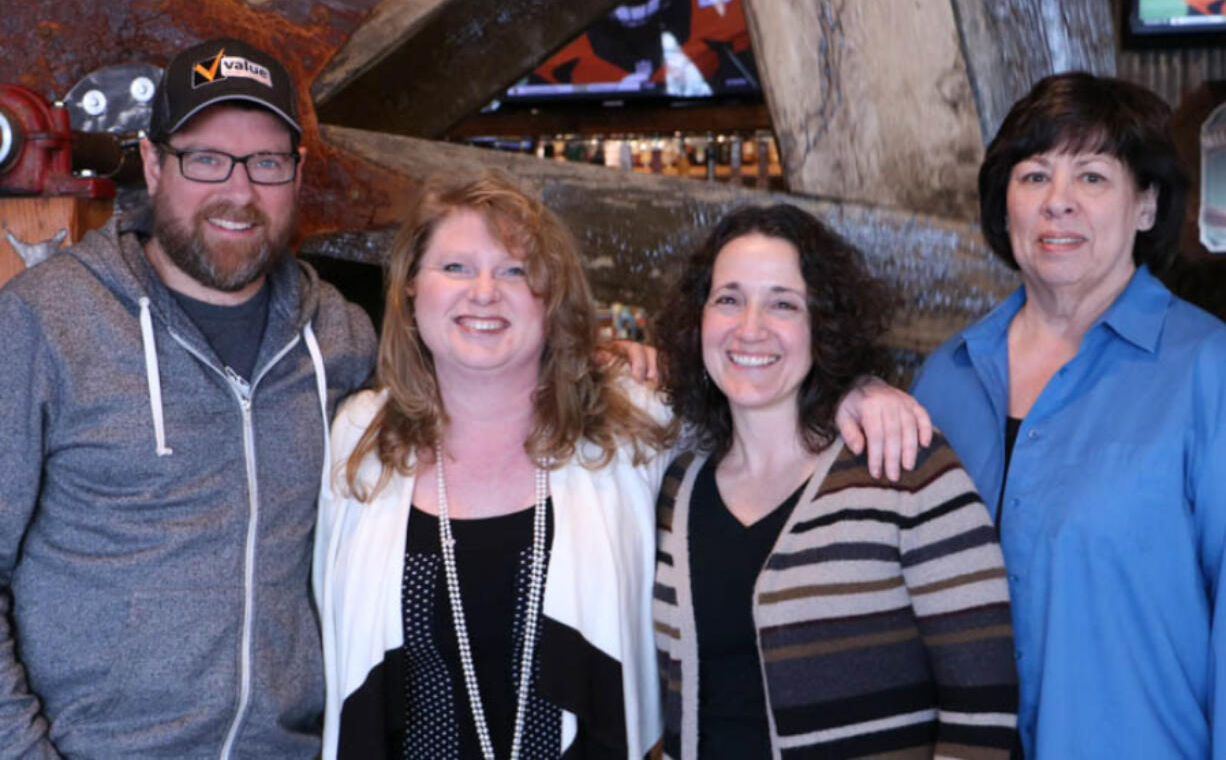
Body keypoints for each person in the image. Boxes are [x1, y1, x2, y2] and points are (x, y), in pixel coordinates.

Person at [0, 37, 376, 758]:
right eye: (206, 158)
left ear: (296, 173)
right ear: (152, 162)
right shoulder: (45, 323)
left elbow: (462, 415)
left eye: (265, 162)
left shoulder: (340, 339)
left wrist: (599, 369)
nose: (238, 192)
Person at [911, 73, 1226, 759]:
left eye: (1091, 177)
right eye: (1033, 177)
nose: (1058, 203)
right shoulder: (946, 378)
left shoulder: (1209, 369)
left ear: (1145, 205)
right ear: (1004, 208)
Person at [315, 171, 676, 760]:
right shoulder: (358, 435)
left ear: (551, 294)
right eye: (455, 268)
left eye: (514, 270)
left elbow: (767, 425)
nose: (484, 291)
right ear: (410, 287)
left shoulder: (631, 421)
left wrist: (857, 395)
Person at [652, 205, 1019, 760]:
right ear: (697, 319)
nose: (750, 327)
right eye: (728, 299)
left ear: (822, 326)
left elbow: (982, 710)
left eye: (783, 303)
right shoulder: (678, 485)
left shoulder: (902, 465)